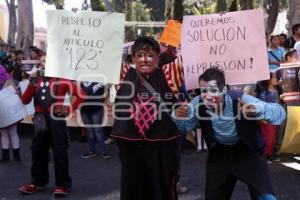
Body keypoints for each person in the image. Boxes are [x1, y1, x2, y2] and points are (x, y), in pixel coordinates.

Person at [173, 68, 286, 200]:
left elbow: (280, 114)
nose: (208, 96)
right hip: (220, 157)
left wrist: (258, 110)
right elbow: (184, 128)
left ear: (224, 90)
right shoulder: (197, 104)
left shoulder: (241, 99)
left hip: (248, 154)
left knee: (266, 198)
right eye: (204, 90)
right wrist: (177, 117)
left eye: (214, 90)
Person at [111, 36, 183, 200]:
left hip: (162, 145)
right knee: (132, 189)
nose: (145, 60)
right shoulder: (123, 74)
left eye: (150, 55)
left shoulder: (169, 74)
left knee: (162, 189)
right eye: (140, 55)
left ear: (158, 57)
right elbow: (100, 55)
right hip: (130, 145)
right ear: (134, 58)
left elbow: (194, 56)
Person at [19, 55, 85, 197]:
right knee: (38, 152)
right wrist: (30, 84)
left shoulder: (63, 79)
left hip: (56, 120)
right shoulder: (35, 81)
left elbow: (81, 94)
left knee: (60, 152)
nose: (44, 63)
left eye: (47, 61)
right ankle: (37, 182)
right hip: (39, 120)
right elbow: (24, 101)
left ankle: (63, 185)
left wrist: (69, 108)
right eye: (42, 61)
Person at [79, 81, 111, 159]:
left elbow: (107, 91)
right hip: (84, 110)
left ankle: (104, 151)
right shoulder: (81, 82)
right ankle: (91, 151)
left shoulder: (101, 81)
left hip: (96, 109)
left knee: (98, 130)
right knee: (89, 131)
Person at [256, 73, 282, 162]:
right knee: (268, 137)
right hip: (266, 117)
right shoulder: (264, 91)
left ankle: (269, 154)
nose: (276, 79)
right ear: (268, 79)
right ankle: (264, 155)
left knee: (273, 137)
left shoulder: (277, 89)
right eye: (274, 77)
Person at [0, 65, 22, 162]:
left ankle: (8, 156)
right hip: (7, 109)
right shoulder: (9, 80)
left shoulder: (8, 81)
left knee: (8, 133)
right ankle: (14, 156)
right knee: (8, 133)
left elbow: (15, 93)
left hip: (7, 109)